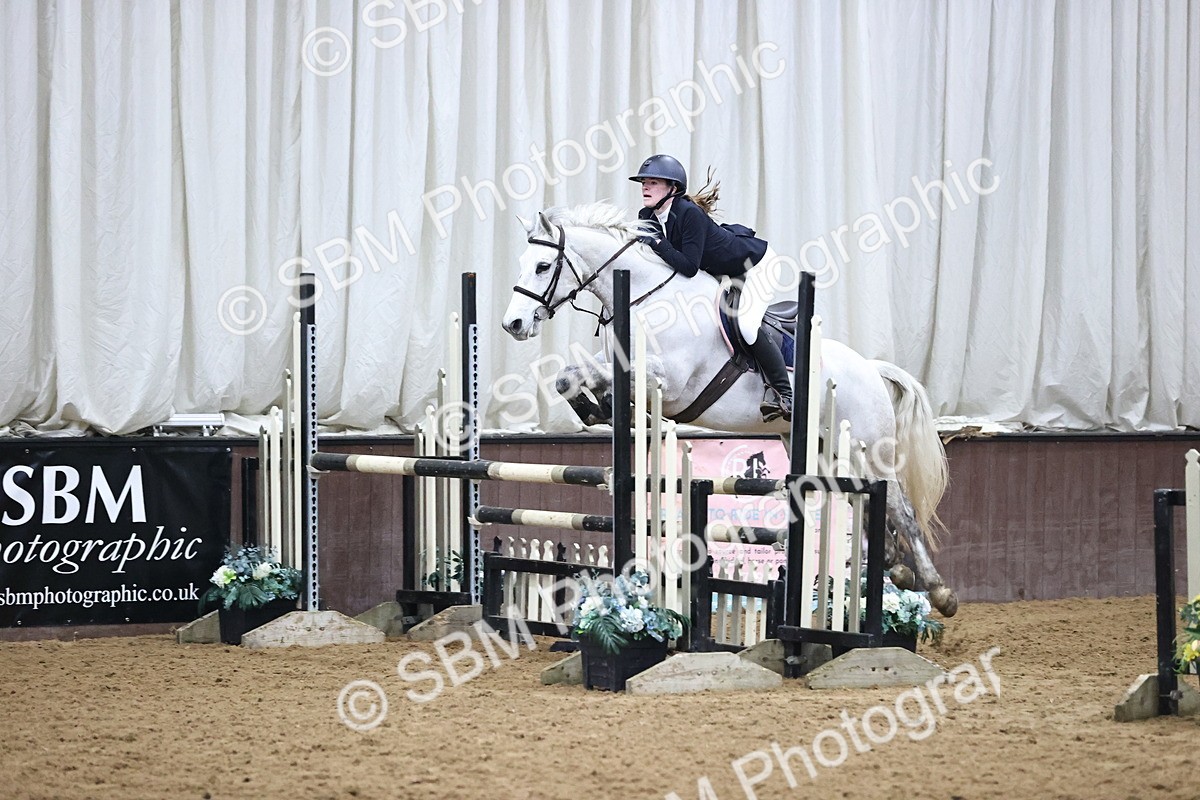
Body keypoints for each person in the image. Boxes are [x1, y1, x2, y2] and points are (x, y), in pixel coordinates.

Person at [629, 154, 792, 422]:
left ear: (673, 188)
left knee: (747, 325)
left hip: (757, 265)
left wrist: (657, 243)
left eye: (653, 182)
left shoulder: (689, 214)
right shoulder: (646, 215)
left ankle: (786, 395)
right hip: (723, 270)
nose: (645, 187)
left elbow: (689, 266)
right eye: (644, 182)